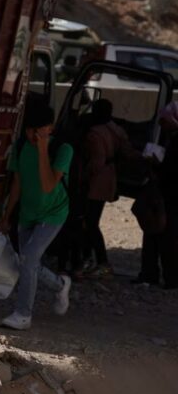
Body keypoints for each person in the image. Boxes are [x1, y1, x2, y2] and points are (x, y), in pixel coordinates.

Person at [0, 100, 73, 331]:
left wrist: (42, 150)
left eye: (36, 130)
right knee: (26, 261)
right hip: (28, 212)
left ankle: (23, 314)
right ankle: (60, 285)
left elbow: (49, 185)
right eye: (29, 129)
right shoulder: (20, 147)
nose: (31, 134)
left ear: (48, 128)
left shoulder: (62, 149)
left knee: (29, 259)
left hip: (53, 213)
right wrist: (6, 217)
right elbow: (17, 186)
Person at [75, 99, 137, 279]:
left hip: (96, 182)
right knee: (93, 220)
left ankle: (98, 261)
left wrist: (82, 177)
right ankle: (93, 260)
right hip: (110, 179)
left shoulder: (95, 133)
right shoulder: (116, 130)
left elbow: (96, 162)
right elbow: (129, 152)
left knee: (90, 222)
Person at [134, 101, 178, 289]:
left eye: (165, 120)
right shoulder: (169, 139)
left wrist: (157, 167)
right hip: (163, 195)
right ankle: (151, 274)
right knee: (153, 234)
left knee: (168, 239)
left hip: (171, 197)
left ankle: (170, 278)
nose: (161, 124)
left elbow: (172, 171)